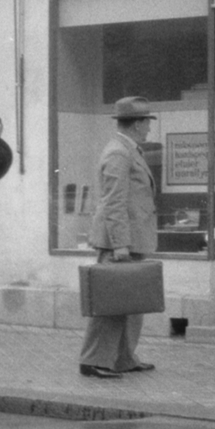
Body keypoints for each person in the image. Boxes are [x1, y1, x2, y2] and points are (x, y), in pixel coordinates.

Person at [79, 95, 159, 379]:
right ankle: (93, 361)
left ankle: (124, 358)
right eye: (146, 122)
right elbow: (114, 201)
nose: (149, 128)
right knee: (111, 305)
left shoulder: (129, 150)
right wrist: (121, 243)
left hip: (132, 239)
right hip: (120, 242)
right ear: (137, 124)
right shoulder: (119, 153)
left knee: (131, 305)